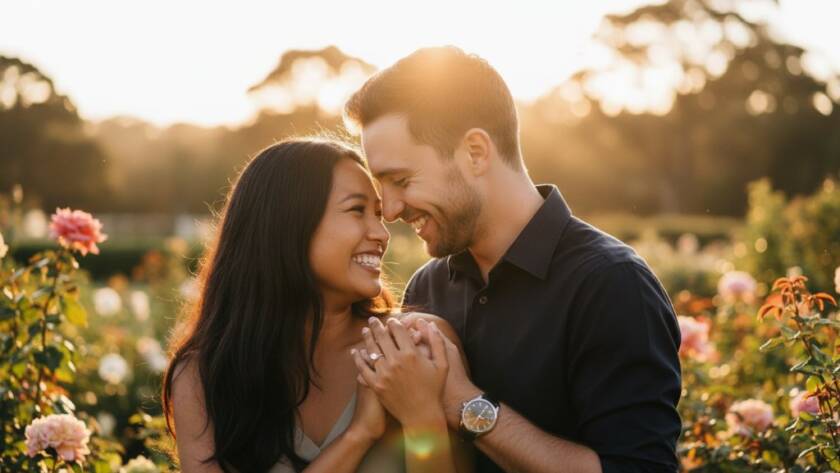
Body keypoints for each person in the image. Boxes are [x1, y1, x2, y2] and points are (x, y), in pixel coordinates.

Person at [344, 46, 683, 473]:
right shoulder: (428, 287)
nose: (390, 210)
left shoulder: (613, 284)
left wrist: (465, 404)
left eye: (401, 180)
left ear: (475, 152)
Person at [161, 138, 470, 472]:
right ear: (287, 224)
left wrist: (421, 415)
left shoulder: (417, 345)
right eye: (357, 210)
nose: (382, 234)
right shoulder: (204, 376)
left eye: (379, 214)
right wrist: (359, 434)